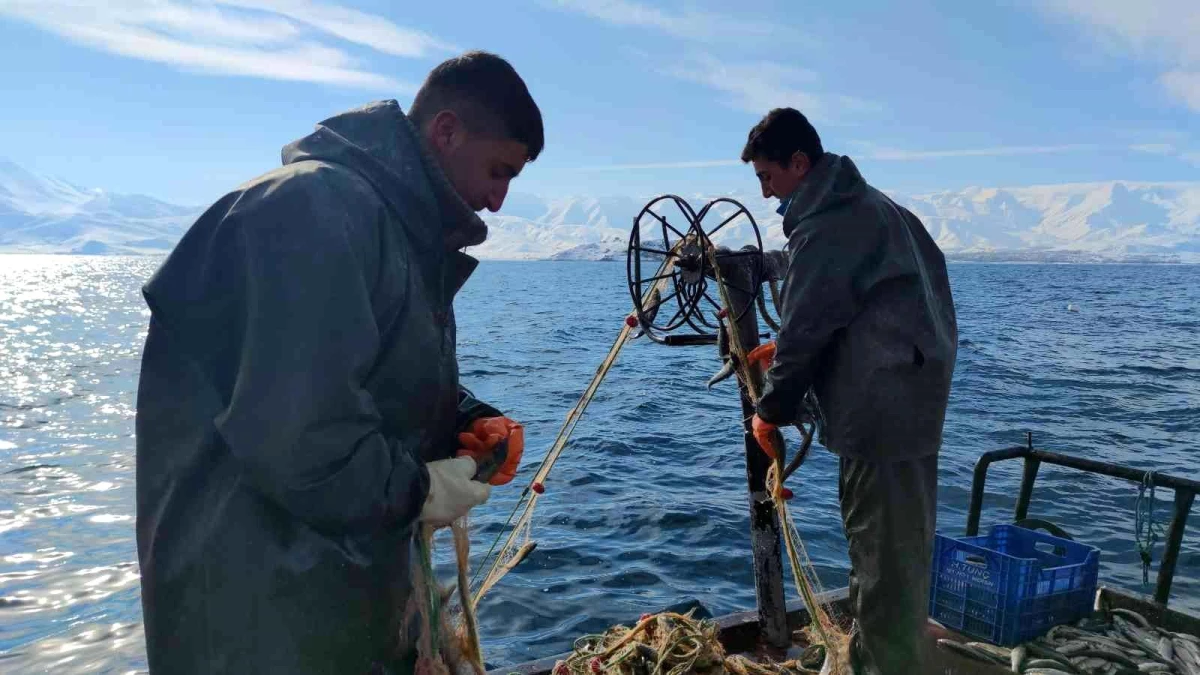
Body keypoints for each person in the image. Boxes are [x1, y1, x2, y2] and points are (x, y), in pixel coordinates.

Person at [134, 51, 542, 674]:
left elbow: (358, 381)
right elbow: (301, 439)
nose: (499, 200)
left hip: (331, 602)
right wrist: (423, 490)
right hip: (261, 624)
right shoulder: (309, 210)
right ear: (447, 130)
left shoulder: (387, 229)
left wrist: (465, 420)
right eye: (498, 170)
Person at [738, 108, 958, 674]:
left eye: (768, 177)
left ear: (799, 163)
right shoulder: (885, 210)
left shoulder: (829, 224)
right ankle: (898, 650)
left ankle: (884, 664)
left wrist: (772, 408)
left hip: (880, 417)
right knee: (900, 551)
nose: (765, 193)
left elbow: (808, 324)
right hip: (912, 406)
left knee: (880, 561)